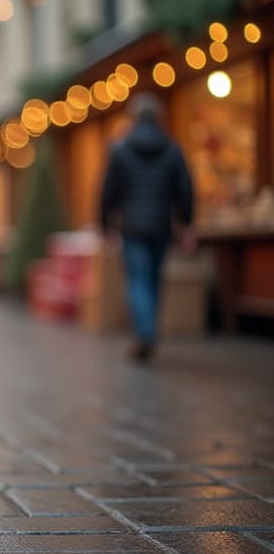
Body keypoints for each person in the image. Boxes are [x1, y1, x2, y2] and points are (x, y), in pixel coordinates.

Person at [100, 92, 194, 362]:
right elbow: (185, 189)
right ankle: (148, 329)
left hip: (132, 226)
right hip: (161, 226)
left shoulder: (120, 149)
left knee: (137, 280)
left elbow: (107, 192)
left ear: (133, 118)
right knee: (153, 279)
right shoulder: (172, 149)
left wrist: (104, 225)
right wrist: (186, 223)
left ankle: (145, 332)